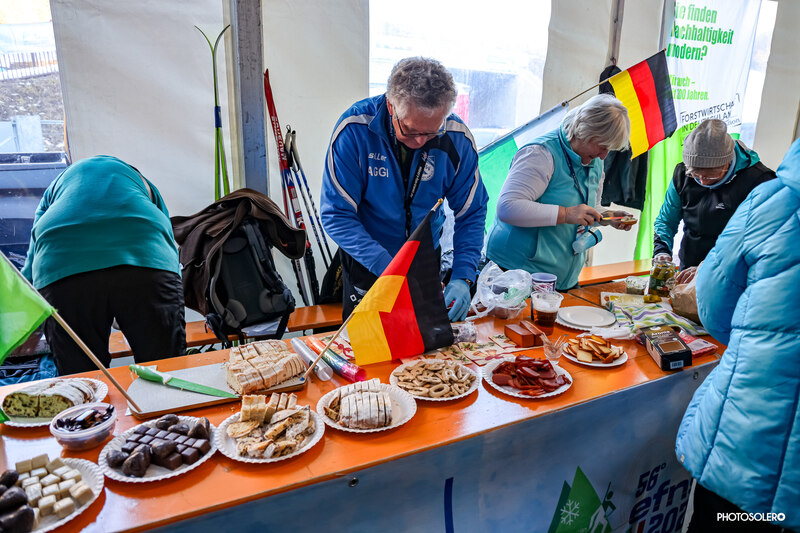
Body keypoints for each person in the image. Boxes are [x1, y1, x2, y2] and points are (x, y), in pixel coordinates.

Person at [675, 138, 800, 532]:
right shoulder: (684, 177)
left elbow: (714, 307)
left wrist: (753, 334)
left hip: (748, 433)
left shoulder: (771, 196)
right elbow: (667, 216)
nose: (701, 179)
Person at [321, 57, 488, 321]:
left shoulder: (456, 137)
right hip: (369, 259)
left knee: (426, 342)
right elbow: (336, 215)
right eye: (410, 130)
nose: (420, 141)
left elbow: (472, 211)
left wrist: (463, 276)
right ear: (391, 105)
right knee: (367, 342)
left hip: (424, 259)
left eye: (431, 133)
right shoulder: (355, 131)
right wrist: (390, 270)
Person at [21, 155, 185, 375]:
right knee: (165, 368)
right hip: (145, 259)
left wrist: (28, 325)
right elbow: (166, 237)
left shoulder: (54, 189)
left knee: (82, 376)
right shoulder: (142, 182)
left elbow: (30, 265)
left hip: (62, 266)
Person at [485, 94, 632, 291]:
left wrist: (607, 217)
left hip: (561, 279)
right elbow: (507, 207)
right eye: (602, 146)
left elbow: (587, 208)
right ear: (584, 130)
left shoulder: (595, 160)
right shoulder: (540, 153)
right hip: (516, 274)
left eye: (609, 149)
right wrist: (565, 214)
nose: (604, 155)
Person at [653, 118, 775, 284]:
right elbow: (666, 220)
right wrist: (661, 250)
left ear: (728, 163)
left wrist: (709, 266)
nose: (703, 182)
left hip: (733, 276)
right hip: (688, 268)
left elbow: (760, 240)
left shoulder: (759, 181)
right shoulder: (682, 174)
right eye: (696, 175)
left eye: (710, 176)